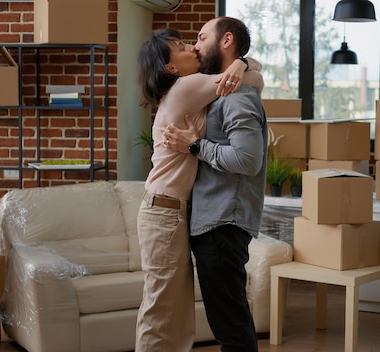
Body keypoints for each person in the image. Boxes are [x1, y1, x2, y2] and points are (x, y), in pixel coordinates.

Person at [135, 28, 263, 352]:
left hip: (171, 212)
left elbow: (253, 79)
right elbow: (256, 81)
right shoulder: (184, 88)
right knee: (160, 311)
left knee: (175, 316)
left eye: (190, 42)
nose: (192, 47)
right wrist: (241, 67)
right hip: (164, 211)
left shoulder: (191, 91)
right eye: (180, 47)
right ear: (171, 68)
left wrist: (240, 64)